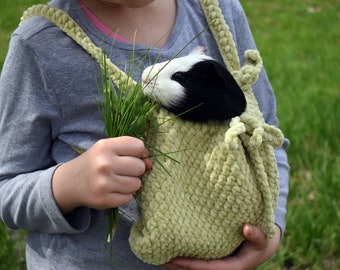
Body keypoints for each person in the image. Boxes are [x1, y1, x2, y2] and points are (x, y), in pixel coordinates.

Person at [0, 0, 290, 269]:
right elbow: (7, 188)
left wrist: (271, 226)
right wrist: (69, 183)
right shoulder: (39, 46)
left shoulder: (218, 11)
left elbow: (264, 135)